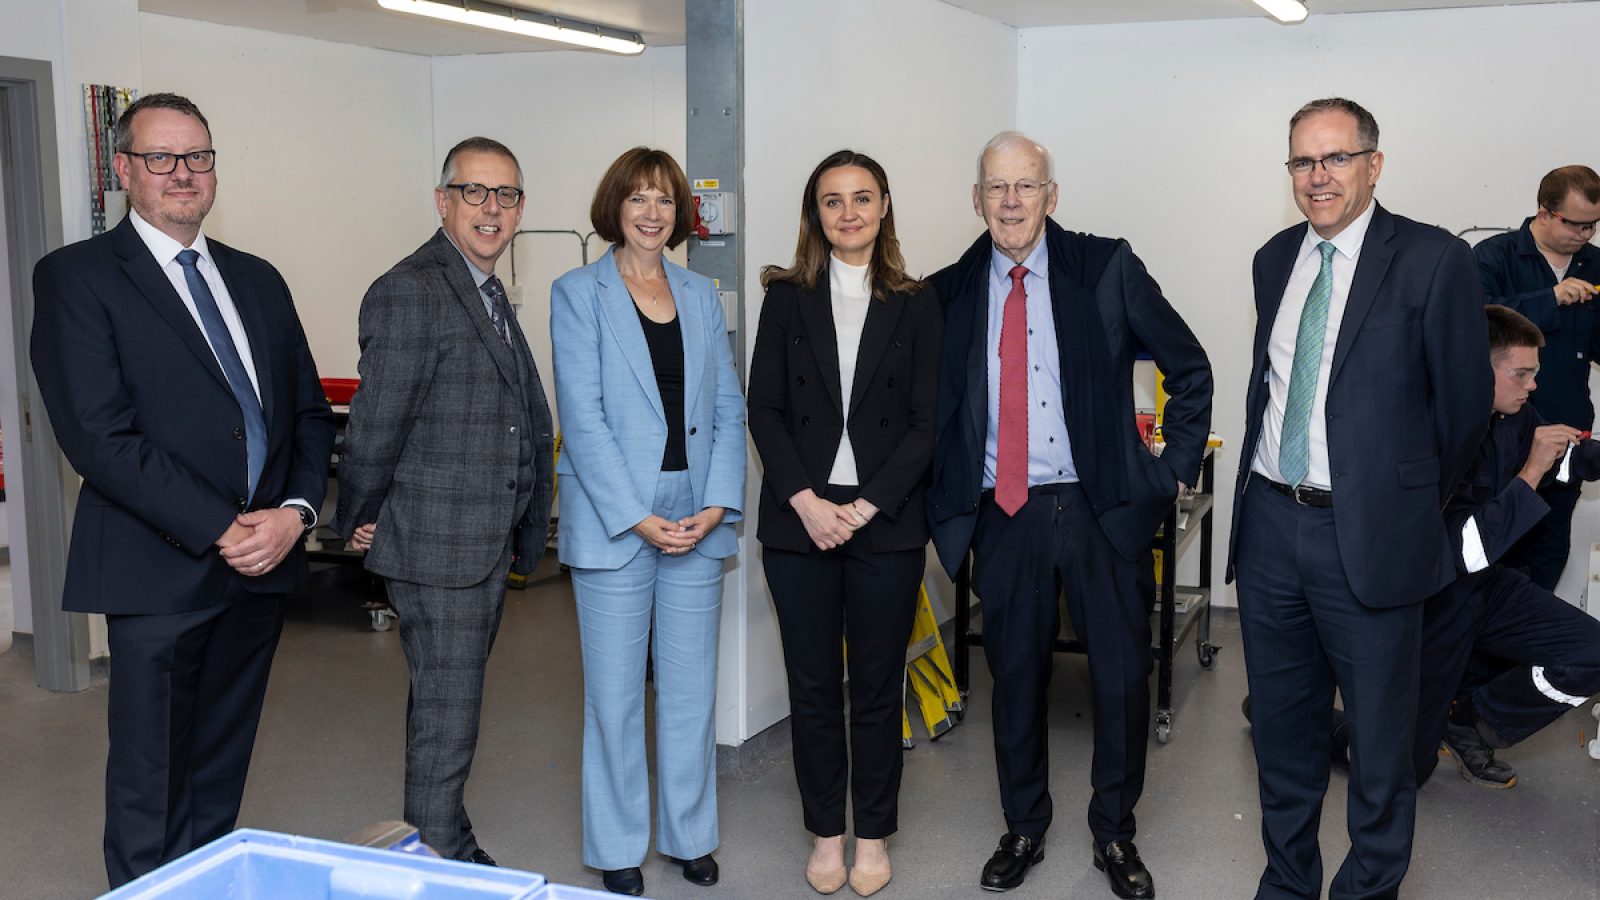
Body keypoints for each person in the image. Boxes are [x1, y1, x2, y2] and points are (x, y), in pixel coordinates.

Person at [29, 92, 335, 888]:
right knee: (149, 779)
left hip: (262, 567)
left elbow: (306, 412)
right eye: (161, 158)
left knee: (220, 767)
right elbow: (99, 436)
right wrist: (223, 525)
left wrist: (296, 514)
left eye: (197, 157)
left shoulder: (258, 280)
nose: (182, 174)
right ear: (125, 170)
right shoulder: (77, 278)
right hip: (157, 567)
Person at [927, 131, 1212, 899]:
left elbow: (1189, 367)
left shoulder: (1106, 266)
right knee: (1014, 675)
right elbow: (927, 412)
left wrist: (1169, 474)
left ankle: (1114, 834)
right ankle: (1024, 826)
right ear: (977, 199)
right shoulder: (946, 290)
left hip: (1100, 507)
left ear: (1052, 196)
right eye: (996, 187)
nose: (1011, 201)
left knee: (1121, 679)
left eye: (1027, 186)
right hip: (1005, 513)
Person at [1227, 98, 1491, 900]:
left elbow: (1464, 409)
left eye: (1336, 158)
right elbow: (1271, 386)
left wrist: (1403, 503)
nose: (1318, 177)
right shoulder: (1275, 259)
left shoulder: (1434, 260)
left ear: (1374, 164)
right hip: (1272, 526)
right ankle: (1287, 881)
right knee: (1283, 734)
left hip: (1371, 535)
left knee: (1380, 745)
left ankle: (1369, 887)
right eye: (1303, 162)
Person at [337, 136, 555, 865]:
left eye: (506, 195)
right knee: (447, 719)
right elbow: (374, 425)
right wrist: (359, 517)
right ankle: (433, 868)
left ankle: (447, 842)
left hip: (478, 543)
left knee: (442, 710)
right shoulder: (412, 289)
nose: (491, 210)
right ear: (443, 201)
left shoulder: (485, 289)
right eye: (475, 193)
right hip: (439, 544)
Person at [550, 147, 745, 897]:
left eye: (664, 200)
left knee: (692, 691)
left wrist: (718, 502)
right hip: (616, 519)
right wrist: (635, 518)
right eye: (638, 198)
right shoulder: (578, 293)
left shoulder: (701, 294)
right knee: (616, 693)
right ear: (615, 207)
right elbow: (585, 417)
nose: (652, 213)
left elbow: (728, 406)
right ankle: (619, 844)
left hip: (696, 511)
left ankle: (690, 836)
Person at [748, 150, 942, 897]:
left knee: (875, 685)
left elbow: (926, 424)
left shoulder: (918, 303)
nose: (849, 212)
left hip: (883, 520)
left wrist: (862, 507)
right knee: (813, 686)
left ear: (885, 206)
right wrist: (805, 501)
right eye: (833, 201)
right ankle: (826, 833)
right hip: (800, 520)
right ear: (815, 213)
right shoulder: (787, 297)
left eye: (863, 198)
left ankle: (874, 836)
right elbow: (764, 407)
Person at [1474, 166, 1600, 592]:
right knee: (1489, 555)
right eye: (1576, 224)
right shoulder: (1494, 256)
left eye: (1594, 225)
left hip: (1566, 435)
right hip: (1497, 442)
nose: (1586, 234)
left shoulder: (1597, 265)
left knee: (1547, 553)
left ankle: (1531, 652)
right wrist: (1549, 300)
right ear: (1544, 212)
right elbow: (1474, 323)